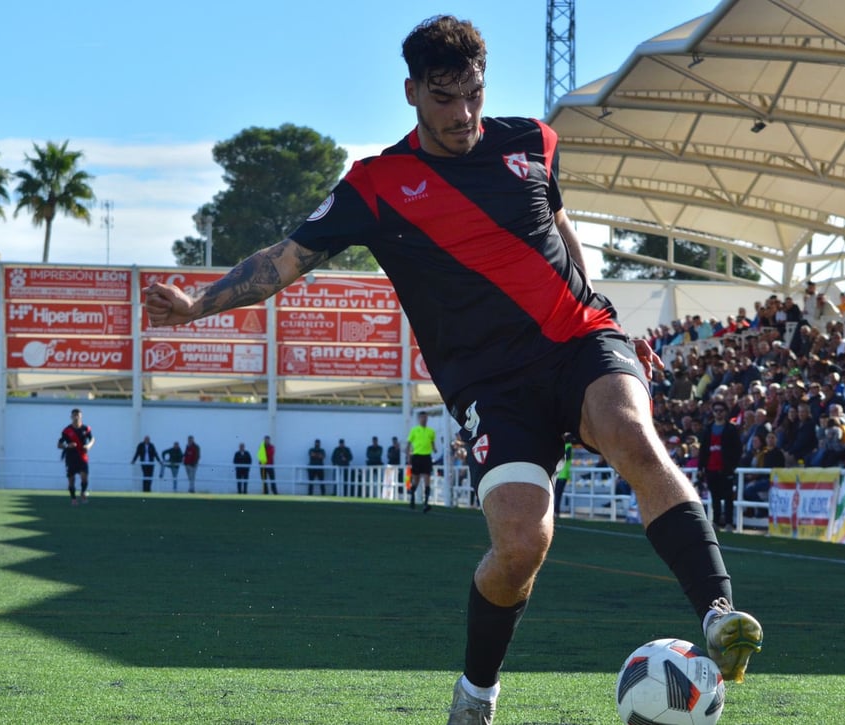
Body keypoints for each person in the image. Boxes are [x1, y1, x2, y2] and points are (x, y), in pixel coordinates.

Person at [141, 17, 761, 724]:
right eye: (444, 98)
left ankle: (718, 611)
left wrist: (603, 308)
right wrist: (195, 306)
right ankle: (476, 692)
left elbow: (556, 225)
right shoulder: (375, 186)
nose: (463, 113)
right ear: (410, 92)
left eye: (473, 94)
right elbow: (284, 261)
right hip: (490, 387)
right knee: (522, 543)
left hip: (577, 339)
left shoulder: (533, 141)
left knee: (630, 432)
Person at [697, 402, 742, 531]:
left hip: (725, 468)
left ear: (726, 412)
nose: (718, 413)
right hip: (711, 468)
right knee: (715, 497)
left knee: (728, 497)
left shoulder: (731, 429)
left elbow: (738, 449)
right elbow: (703, 450)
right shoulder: (708, 429)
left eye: (721, 410)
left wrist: (732, 466)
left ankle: (729, 523)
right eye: (716, 410)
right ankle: (716, 522)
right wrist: (701, 468)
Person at [57, 408, 94, 505]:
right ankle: (73, 499)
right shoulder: (67, 431)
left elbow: (92, 439)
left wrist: (88, 446)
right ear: (71, 417)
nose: (76, 417)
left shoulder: (86, 429)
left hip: (82, 456)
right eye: (74, 415)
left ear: (81, 416)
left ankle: (82, 492)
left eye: (78, 415)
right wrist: (67, 445)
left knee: (84, 477)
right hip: (71, 458)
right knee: (71, 480)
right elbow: (59, 445)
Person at [407, 411, 437, 512]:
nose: (424, 419)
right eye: (422, 417)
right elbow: (409, 444)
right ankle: (412, 498)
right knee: (416, 480)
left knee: (427, 480)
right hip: (416, 457)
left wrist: (435, 449)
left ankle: (426, 503)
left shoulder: (431, 431)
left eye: (425, 417)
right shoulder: (414, 430)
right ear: (419, 419)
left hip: (427, 457)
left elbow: (432, 443)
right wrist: (408, 457)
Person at [553, 435, 573, 517]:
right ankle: (555, 510)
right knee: (556, 494)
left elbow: (566, 458)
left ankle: (556, 511)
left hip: (562, 475)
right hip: (559, 475)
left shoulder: (568, 447)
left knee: (558, 494)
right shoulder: (565, 446)